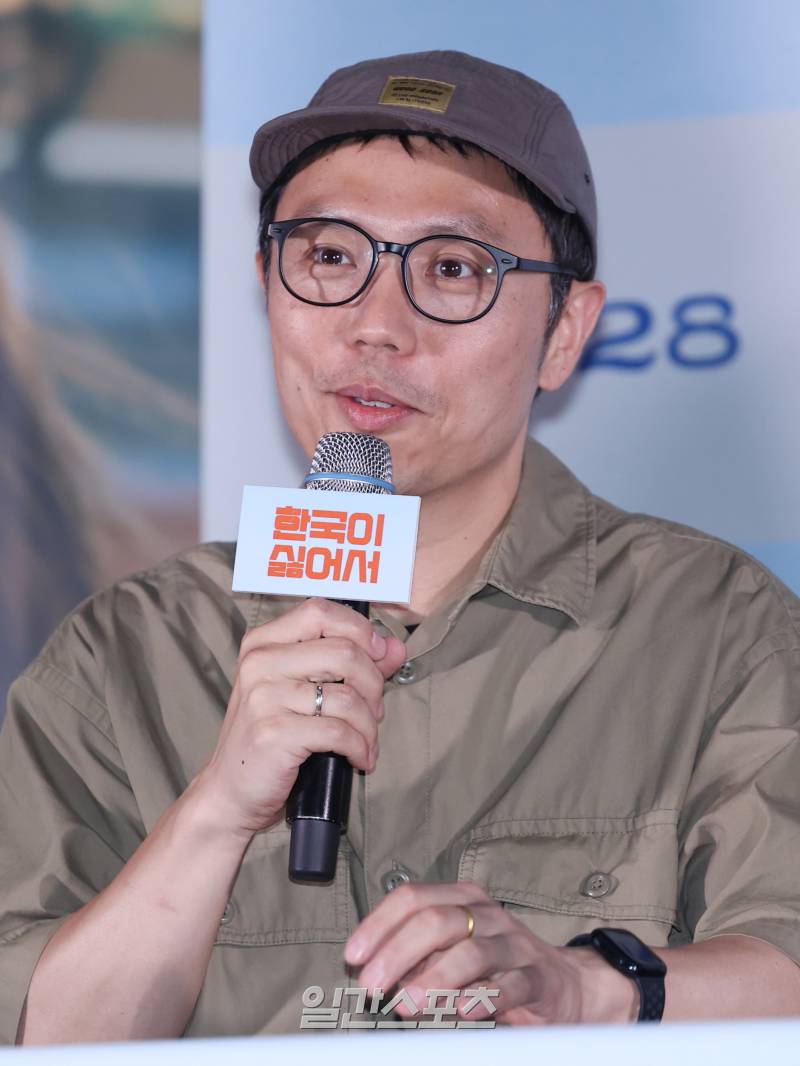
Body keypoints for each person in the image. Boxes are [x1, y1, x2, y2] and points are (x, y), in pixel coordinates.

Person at [2, 50, 799, 1045]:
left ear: (564, 331)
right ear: (266, 286)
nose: (375, 328)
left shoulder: (715, 626)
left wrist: (585, 986)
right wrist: (213, 813)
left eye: (453, 269)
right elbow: (36, 1034)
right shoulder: (126, 649)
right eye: (331, 258)